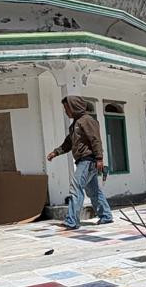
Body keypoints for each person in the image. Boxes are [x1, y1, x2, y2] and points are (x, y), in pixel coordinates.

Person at [47, 96, 113, 229]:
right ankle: (106, 216)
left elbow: (95, 140)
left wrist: (99, 158)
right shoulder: (75, 125)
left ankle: (71, 220)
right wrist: (56, 152)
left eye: (67, 108)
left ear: (75, 107)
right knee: (93, 191)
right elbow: (68, 143)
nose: (66, 112)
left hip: (88, 160)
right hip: (84, 161)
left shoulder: (87, 120)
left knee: (76, 187)